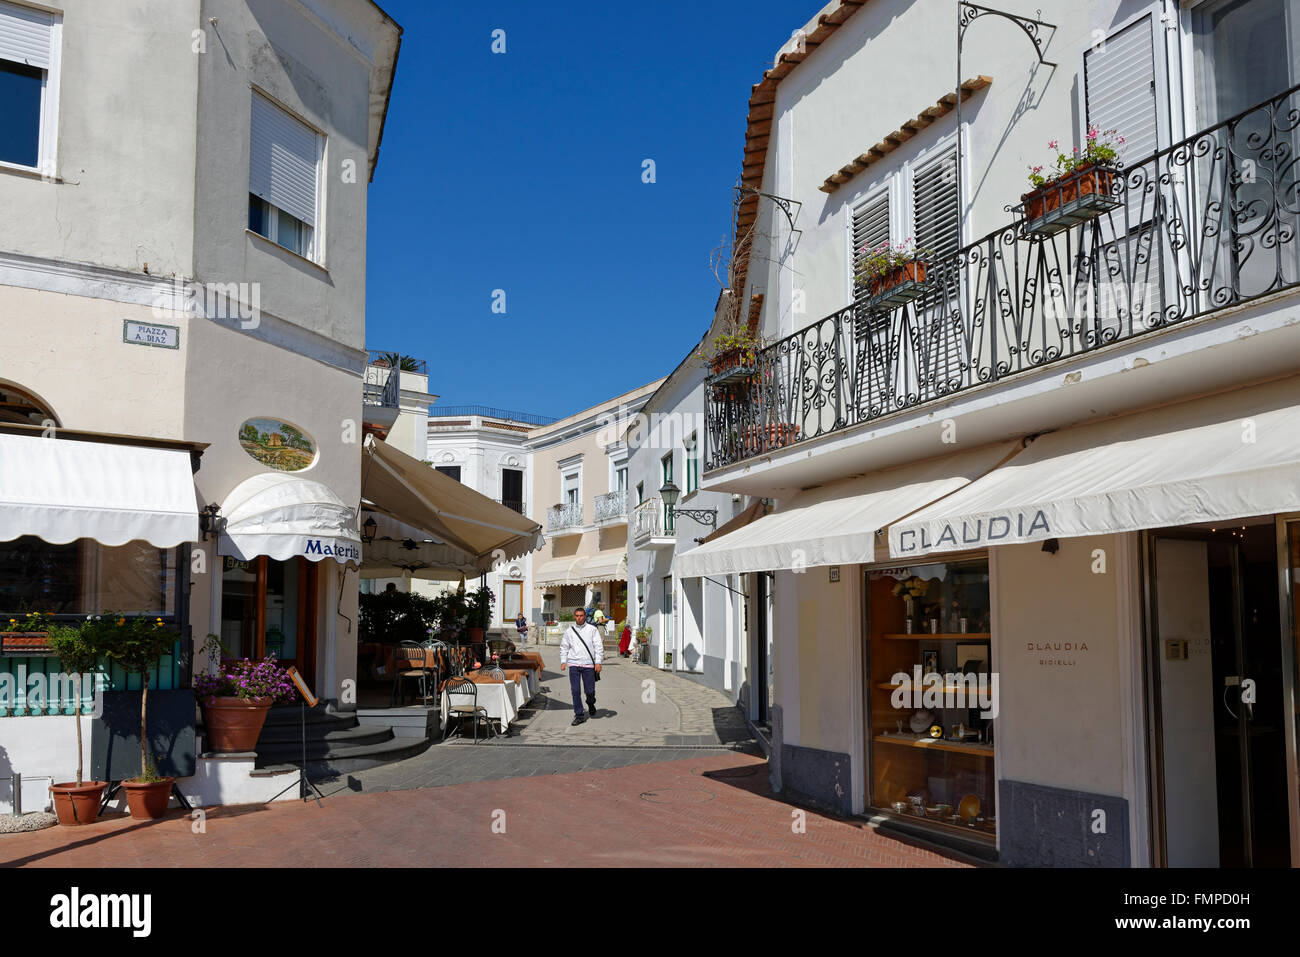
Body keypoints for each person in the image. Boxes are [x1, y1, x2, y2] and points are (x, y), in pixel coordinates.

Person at [559, 607, 603, 725]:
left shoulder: (592, 630)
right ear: (575, 617)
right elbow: (564, 646)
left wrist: (598, 662)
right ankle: (579, 715)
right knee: (575, 691)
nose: (579, 617)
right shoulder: (569, 631)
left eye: (581, 615)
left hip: (588, 665)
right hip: (574, 664)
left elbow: (598, 647)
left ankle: (590, 703)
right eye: (577, 616)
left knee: (589, 691)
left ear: (585, 616)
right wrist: (563, 661)